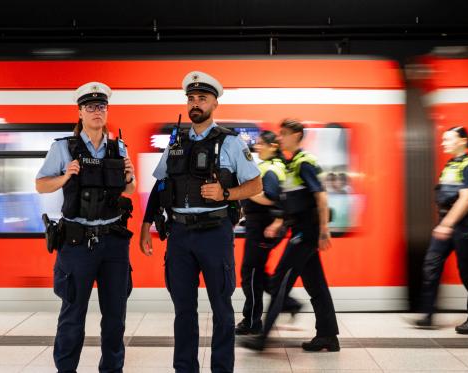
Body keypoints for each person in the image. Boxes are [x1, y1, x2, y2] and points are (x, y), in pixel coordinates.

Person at [139, 71, 262, 373]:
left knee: (222, 309)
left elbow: (256, 185)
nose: (195, 103)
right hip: (179, 235)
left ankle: (222, 369)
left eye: (202, 98)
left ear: (214, 104)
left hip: (215, 234)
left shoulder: (231, 142)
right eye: (191, 98)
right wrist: (145, 225)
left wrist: (227, 192)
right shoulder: (176, 142)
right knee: (184, 311)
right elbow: (160, 185)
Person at [35, 82, 136, 373]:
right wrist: (65, 176)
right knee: (72, 316)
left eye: (101, 106)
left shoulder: (119, 147)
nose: (96, 111)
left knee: (115, 318)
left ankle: (112, 370)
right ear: (80, 112)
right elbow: (41, 185)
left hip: (114, 243)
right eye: (90, 107)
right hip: (76, 244)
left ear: (107, 111)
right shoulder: (63, 148)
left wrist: (129, 178)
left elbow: (130, 190)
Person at [240, 119, 339, 352]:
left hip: (306, 233)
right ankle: (328, 336)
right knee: (316, 286)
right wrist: (281, 221)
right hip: (300, 230)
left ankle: (262, 339)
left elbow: (321, 197)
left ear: (296, 135)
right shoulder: (292, 163)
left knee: (280, 282)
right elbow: (295, 202)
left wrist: (324, 231)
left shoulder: (304, 163)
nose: (280, 138)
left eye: (284, 133)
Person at [413, 126, 468, 334]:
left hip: (466, 227)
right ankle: (428, 314)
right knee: (431, 265)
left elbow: (467, 197)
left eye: (448, 139)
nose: (443, 142)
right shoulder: (450, 164)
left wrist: (446, 225)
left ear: (462, 141)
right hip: (448, 224)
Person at [236, 130, 301, 336]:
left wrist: (246, 192)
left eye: (262, 144)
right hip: (257, 226)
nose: (257, 147)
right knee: (257, 273)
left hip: (263, 228)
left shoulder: (272, 169)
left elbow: (271, 197)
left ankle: (253, 321)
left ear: (273, 146)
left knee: (251, 274)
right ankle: (287, 302)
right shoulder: (267, 166)